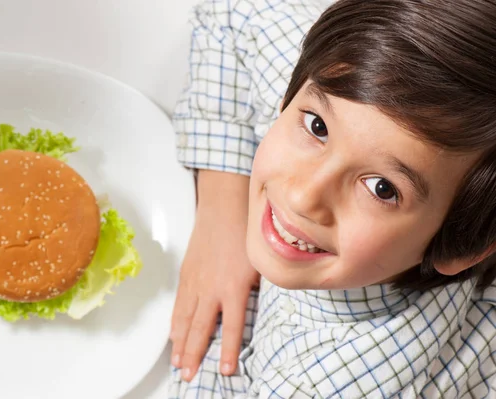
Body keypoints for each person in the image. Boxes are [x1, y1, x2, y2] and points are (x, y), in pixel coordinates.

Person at [167, 0, 496, 397]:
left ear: (461, 247)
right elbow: (235, 14)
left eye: (382, 189)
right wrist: (222, 216)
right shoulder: (359, 80)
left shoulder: (317, 385)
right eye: (317, 127)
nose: (304, 196)